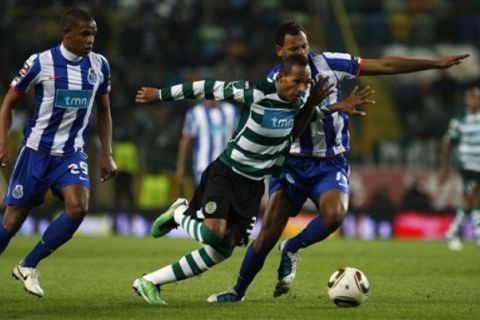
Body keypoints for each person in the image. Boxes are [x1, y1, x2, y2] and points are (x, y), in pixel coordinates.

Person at [208, 21, 469, 302]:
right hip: (292, 163)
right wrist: (333, 107)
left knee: (335, 214)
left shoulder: (330, 63)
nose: (302, 52)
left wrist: (434, 64)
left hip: (329, 162)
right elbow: (290, 119)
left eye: (305, 46)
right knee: (267, 234)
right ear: (280, 51)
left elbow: (385, 66)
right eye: (294, 48)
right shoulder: (276, 81)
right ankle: (238, 290)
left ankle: (292, 248)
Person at [131, 54, 374, 304]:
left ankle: (150, 281)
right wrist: (161, 95)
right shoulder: (256, 92)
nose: (301, 88)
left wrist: (337, 107)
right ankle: (179, 213)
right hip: (226, 173)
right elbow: (207, 87)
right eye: (296, 82)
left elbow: (310, 115)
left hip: (252, 185)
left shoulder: (298, 104)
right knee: (214, 234)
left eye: (306, 84)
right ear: (280, 77)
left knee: (221, 250)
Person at [0, 9, 117, 297]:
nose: (90, 40)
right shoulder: (41, 62)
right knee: (12, 221)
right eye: (84, 34)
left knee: (79, 207)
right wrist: (3, 142)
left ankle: (28, 264)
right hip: (36, 152)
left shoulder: (100, 65)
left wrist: (107, 153)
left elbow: (104, 112)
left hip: (71, 154)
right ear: (66, 33)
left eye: (93, 34)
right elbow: (8, 103)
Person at [439, 86, 480, 251]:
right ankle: (477, 234)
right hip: (467, 163)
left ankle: (452, 232)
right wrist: (444, 167)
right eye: (470, 97)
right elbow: (448, 142)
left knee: (473, 199)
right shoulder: (460, 119)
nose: (473, 100)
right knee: (473, 197)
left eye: (475, 97)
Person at [174, 100, 239, 195]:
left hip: (228, 167)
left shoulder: (231, 111)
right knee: (208, 201)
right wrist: (180, 167)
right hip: (204, 167)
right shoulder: (195, 113)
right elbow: (186, 140)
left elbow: (239, 137)